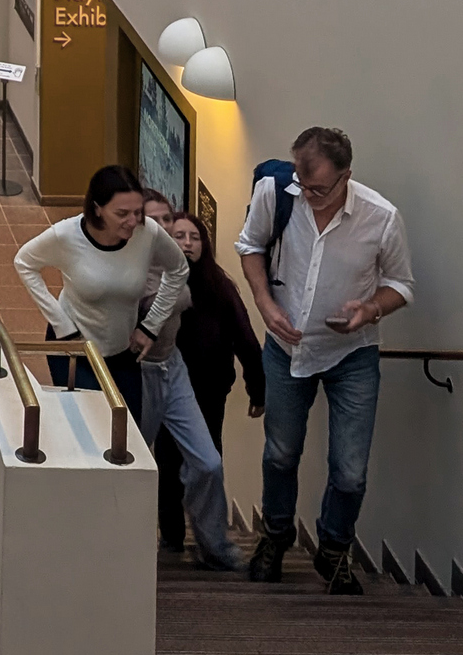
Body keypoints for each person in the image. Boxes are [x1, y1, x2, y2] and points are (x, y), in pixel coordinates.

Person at [237, 126, 413, 593]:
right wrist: (264, 304)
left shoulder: (380, 217)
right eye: (301, 182)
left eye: (318, 188)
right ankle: (275, 537)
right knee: (280, 454)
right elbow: (250, 246)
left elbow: (401, 284)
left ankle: (334, 550)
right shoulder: (276, 193)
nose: (308, 195)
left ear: (346, 177)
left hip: (352, 355)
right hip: (286, 350)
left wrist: (369, 310)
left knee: (351, 472)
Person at [14, 163, 187, 425]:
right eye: (122, 213)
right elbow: (24, 263)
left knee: (127, 430)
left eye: (138, 212)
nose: (133, 221)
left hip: (124, 352)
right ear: (97, 209)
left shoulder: (148, 232)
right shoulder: (66, 235)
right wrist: (63, 326)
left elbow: (178, 269)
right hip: (74, 351)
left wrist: (151, 327)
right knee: (88, 426)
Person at [135, 193, 243, 570]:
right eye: (154, 220)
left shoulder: (176, 263)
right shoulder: (128, 269)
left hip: (174, 369)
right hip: (140, 373)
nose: (165, 227)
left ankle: (214, 547)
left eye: (167, 218)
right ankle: (126, 552)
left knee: (208, 462)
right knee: (135, 466)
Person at [155, 209, 265, 555]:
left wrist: (257, 389)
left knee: (208, 463)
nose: (188, 244)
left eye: (195, 237)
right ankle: (172, 537)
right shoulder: (155, 282)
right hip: (165, 387)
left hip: (209, 391)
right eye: (179, 237)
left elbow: (246, 339)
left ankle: (209, 543)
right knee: (167, 464)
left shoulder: (220, 287)